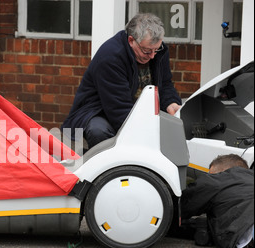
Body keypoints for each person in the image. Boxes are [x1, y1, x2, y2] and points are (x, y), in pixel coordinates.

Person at [62, 13, 182, 149]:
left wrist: (170, 103)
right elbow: (118, 109)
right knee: (99, 131)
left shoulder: (158, 51)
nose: (153, 56)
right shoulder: (111, 57)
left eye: (156, 49)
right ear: (131, 40)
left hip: (136, 111)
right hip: (98, 112)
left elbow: (165, 84)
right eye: (147, 51)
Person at [181, 154, 254, 248]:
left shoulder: (218, 179)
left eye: (211, 174)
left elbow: (181, 206)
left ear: (222, 170)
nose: (210, 176)